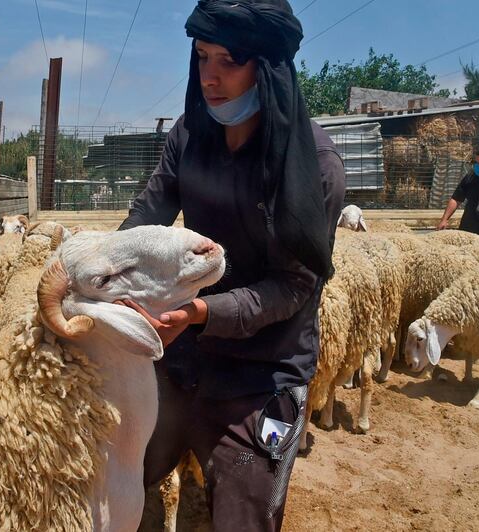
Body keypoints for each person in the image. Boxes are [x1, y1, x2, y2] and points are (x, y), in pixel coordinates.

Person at [115, 1, 345, 529]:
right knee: (117, 475)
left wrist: (199, 312)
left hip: (261, 375)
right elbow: (143, 221)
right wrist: (103, 270)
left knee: (242, 514)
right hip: (181, 357)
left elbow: (291, 287)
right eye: (201, 58)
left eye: (228, 62)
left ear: (266, 67)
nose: (210, 78)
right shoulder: (189, 138)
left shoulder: (313, 168)